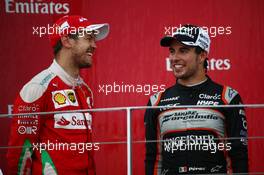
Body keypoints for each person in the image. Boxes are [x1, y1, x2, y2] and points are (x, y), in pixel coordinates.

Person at [7, 15, 109, 175]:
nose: (94, 45)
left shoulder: (85, 90)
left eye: (94, 40)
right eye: (89, 38)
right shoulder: (39, 87)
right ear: (67, 40)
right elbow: (20, 152)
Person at [144, 24, 248, 174]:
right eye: (172, 51)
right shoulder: (156, 101)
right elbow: (152, 158)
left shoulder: (228, 97)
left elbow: (239, 155)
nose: (174, 58)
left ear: (202, 55)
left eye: (183, 51)